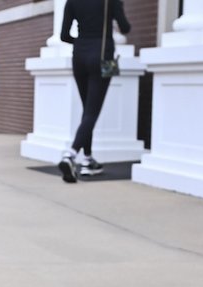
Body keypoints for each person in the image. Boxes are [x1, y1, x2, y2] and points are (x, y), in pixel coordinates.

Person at [58, 0, 130, 183]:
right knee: (92, 112)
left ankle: (88, 160)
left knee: (87, 110)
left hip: (79, 56)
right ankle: (71, 154)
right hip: (102, 55)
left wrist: (84, 41)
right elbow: (125, 27)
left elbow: (64, 35)